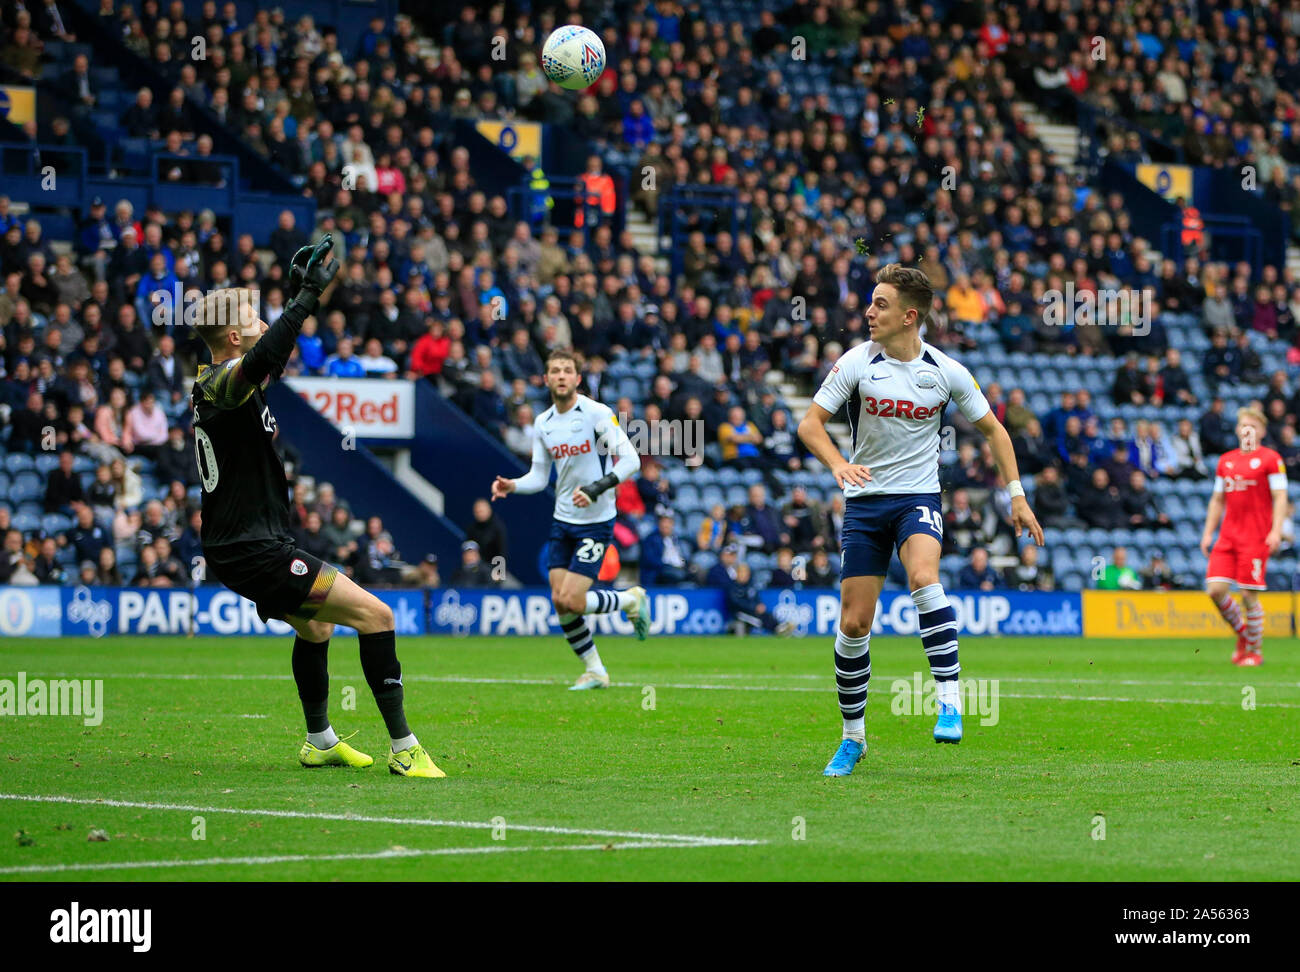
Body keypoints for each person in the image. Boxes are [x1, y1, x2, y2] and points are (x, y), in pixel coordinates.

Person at [190, 236, 444, 778]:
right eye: (253, 316)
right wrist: (305, 296)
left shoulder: (220, 383)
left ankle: (320, 740)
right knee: (378, 616)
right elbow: (263, 355)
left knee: (316, 628)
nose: (263, 321)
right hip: (252, 548)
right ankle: (406, 749)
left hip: (243, 544)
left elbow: (269, 354)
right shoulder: (221, 384)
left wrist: (297, 298)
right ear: (233, 335)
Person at [797, 263, 1043, 776]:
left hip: (918, 498)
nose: (868, 312)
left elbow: (997, 432)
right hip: (866, 502)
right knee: (854, 623)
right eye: (870, 302)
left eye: (880, 304)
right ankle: (853, 738)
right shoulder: (856, 364)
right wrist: (839, 464)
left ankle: (950, 701)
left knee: (924, 577)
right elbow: (809, 425)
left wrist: (1016, 495)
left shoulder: (945, 371)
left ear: (910, 316)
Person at [491, 349, 648, 690]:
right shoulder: (543, 422)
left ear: (578, 378)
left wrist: (595, 488)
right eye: (554, 371)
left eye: (567, 370)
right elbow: (538, 475)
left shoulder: (597, 413)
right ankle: (595, 671)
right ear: (545, 379)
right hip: (563, 520)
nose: (561, 376)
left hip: (596, 519)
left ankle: (630, 599)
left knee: (574, 600)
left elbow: (631, 459)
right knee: (560, 602)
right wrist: (512, 485)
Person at [1202, 407, 1288, 666]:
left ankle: (1255, 652)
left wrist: (1275, 530)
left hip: (1256, 537)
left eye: (1253, 426)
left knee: (1249, 596)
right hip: (1227, 536)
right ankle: (1244, 635)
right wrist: (1208, 533)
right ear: (1238, 430)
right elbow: (1217, 499)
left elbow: (1280, 496)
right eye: (1243, 426)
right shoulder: (1225, 461)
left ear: (1261, 432)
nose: (1247, 430)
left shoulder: (1271, 459)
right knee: (1215, 591)